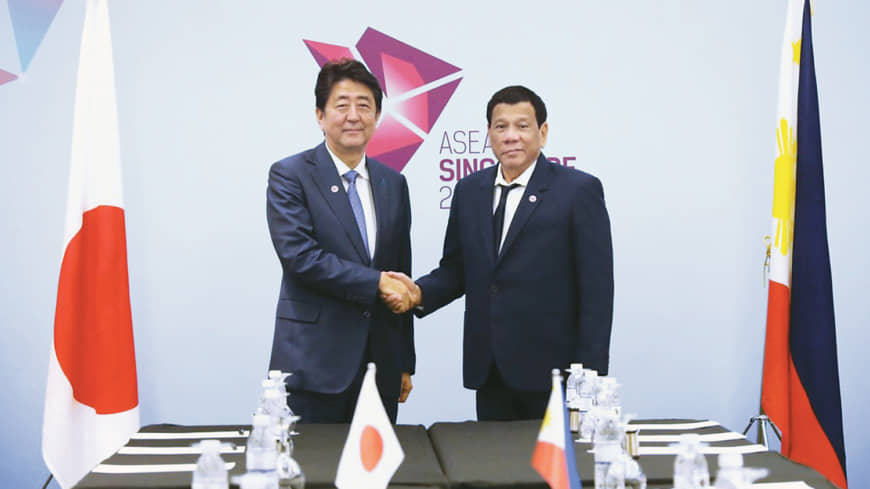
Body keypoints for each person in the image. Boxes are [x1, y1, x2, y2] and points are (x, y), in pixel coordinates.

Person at [385, 85, 613, 421]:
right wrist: (418, 293)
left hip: (556, 375)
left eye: (522, 126)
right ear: (489, 134)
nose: (511, 136)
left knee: (554, 474)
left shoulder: (578, 191)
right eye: (500, 126)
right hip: (490, 370)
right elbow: (457, 269)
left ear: (543, 132)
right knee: (494, 468)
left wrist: (588, 379)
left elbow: (596, 291)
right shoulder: (470, 191)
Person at [266, 59, 415, 423]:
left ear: (377, 116)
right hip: (314, 365)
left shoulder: (392, 182)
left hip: (380, 367)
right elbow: (301, 258)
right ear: (320, 115)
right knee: (315, 475)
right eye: (341, 104)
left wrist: (404, 362)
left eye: (364, 105)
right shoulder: (291, 175)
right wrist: (376, 281)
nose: (353, 115)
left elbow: (401, 272)